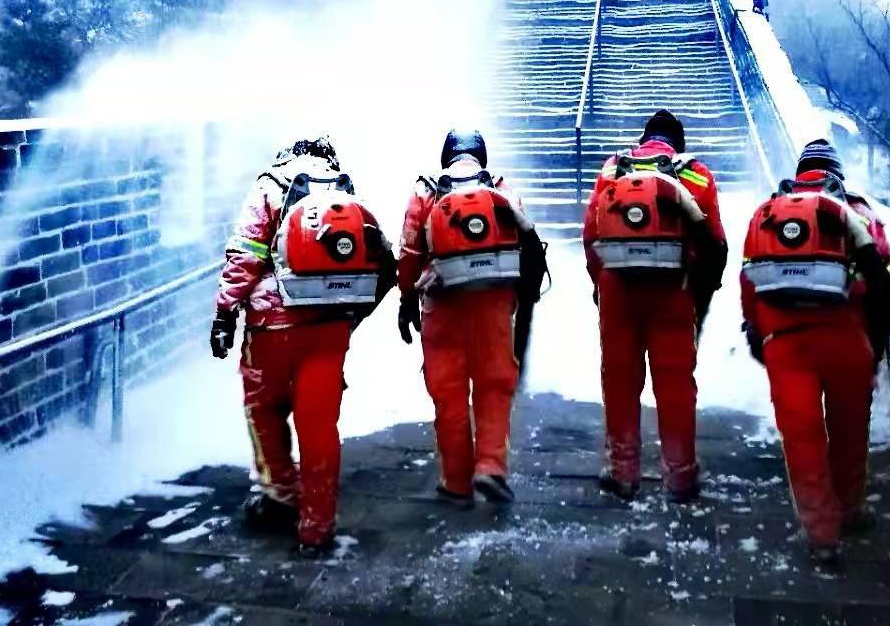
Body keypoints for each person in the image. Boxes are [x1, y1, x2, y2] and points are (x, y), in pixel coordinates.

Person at [209, 136, 396, 556]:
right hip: (328, 330)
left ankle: (281, 495)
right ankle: (316, 527)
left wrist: (225, 313)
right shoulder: (344, 189)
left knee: (264, 411)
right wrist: (353, 315)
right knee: (319, 427)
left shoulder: (271, 184)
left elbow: (245, 253)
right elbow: (383, 259)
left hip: (270, 327)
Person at [740, 138, 890, 568]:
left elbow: (748, 280)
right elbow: (884, 269)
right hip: (848, 338)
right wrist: (876, 340)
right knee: (849, 432)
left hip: (786, 342)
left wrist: (758, 332)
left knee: (803, 438)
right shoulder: (858, 211)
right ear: (836, 175)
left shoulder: (770, 211)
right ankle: (849, 510)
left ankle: (821, 533)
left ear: (801, 171)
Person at [582, 109, 728, 503]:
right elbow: (714, 238)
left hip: (618, 288)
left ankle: (622, 473)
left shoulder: (614, 167)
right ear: (676, 143)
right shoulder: (694, 173)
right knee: (676, 385)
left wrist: (600, 279)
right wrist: (700, 292)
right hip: (673, 288)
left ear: (643, 138)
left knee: (619, 382)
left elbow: (591, 230)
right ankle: (680, 476)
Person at [397, 129, 547, 506]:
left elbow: (409, 250)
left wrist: (406, 299)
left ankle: (456, 482)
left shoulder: (427, 189)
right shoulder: (499, 186)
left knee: (448, 394)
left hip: (442, 302)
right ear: (481, 155)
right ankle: (490, 467)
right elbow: (524, 235)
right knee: (494, 384)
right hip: (494, 301)